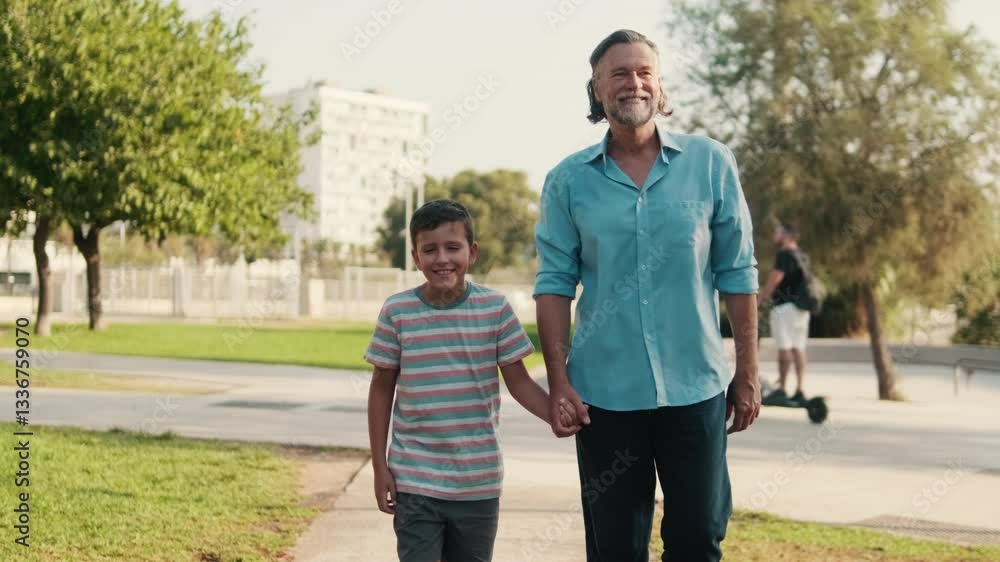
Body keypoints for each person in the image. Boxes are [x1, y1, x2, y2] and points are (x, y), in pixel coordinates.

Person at [535, 29, 761, 562]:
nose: (632, 83)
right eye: (618, 73)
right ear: (596, 89)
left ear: (659, 88)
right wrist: (559, 380)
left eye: (643, 73)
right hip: (604, 399)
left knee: (699, 538)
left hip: (696, 390)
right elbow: (553, 285)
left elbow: (738, 271)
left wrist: (747, 370)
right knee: (615, 549)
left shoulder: (710, 163)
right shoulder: (567, 181)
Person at [365, 199, 581, 562]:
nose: (441, 258)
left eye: (453, 247)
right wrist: (379, 465)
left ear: (472, 252)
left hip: (478, 484)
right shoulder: (397, 312)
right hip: (415, 480)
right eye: (429, 250)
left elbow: (520, 382)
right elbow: (381, 390)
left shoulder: (494, 310)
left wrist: (553, 414)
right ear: (416, 257)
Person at [759, 222, 812, 404]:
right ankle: (800, 389)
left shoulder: (784, 254)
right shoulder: (802, 256)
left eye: (778, 232)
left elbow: (775, 280)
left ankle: (781, 389)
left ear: (786, 235)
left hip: (784, 307)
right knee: (798, 348)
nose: (775, 234)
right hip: (802, 309)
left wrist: (759, 301)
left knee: (785, 347)